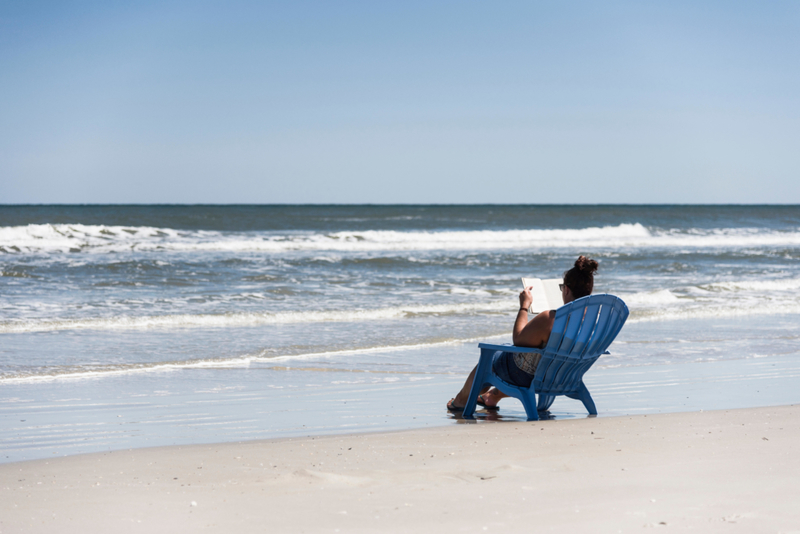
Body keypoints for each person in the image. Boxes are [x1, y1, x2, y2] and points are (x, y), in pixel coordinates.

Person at [446, 255, 599, 411]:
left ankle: (460, 402)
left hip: (531, 378)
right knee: (528, 357)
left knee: (491, 357)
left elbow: (518, 340)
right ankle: (491, 397)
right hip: (566, 376)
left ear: (566, 289)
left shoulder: (551, 318)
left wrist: (524, 306)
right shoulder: (596, 320)